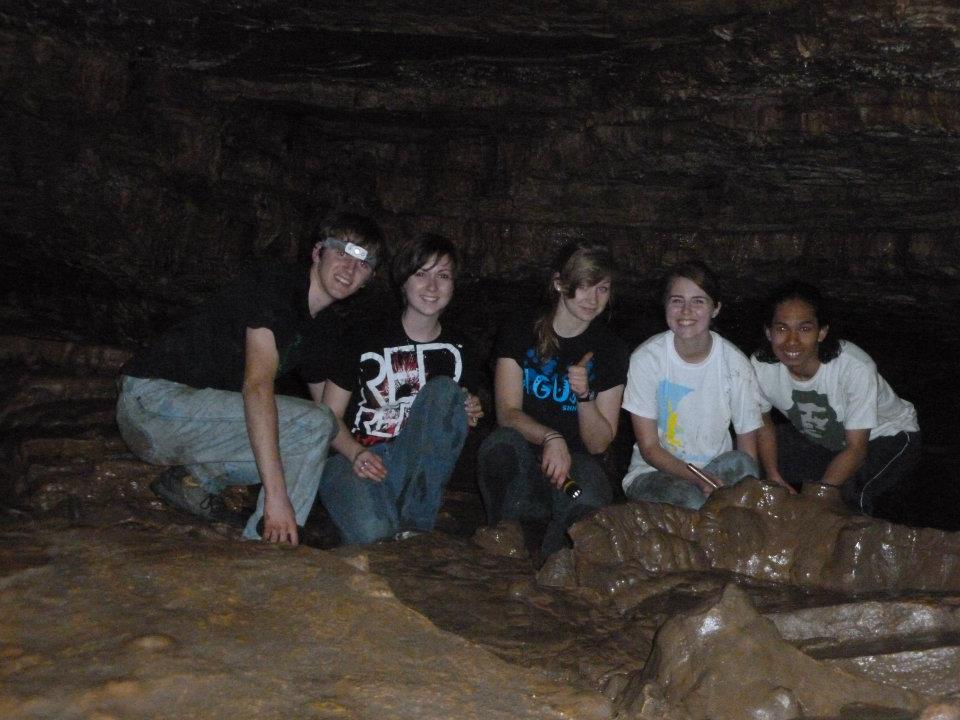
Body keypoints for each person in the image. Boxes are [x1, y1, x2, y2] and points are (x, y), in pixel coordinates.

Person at [116, 211, 384, 546]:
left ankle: (195, 480)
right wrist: (277, 496)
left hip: (194, 424)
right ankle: (269, 545)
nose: (349, 268)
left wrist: (356, 453)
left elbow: (326, 421)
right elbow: (257, 386)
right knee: (305, 431)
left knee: (309, 439)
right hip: (153, 403)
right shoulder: (275, 285)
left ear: (368, 278)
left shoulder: (324, 328)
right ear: (318, 252)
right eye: (343, 252)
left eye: (363, 263)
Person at [317, 233, 483, 544]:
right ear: (403, 282)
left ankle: (415, 529)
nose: (432, 287)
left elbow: (445, 435)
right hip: (354, 459)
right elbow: (327, 415)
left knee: (448, 393)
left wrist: (466, 414)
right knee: (375, 534)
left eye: (443, 276)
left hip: (411, 468)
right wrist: (355, 453)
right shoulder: (362, 336)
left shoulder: (462, 349)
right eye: (421, 274)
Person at [476, 241, 629, 563]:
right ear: (560, 283)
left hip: (575, 469)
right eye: (584, 286)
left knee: (585, 504)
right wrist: (550, 437)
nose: (593, 298)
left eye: (602, 289)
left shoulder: (610, 349)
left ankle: (552, 560)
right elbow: (507, 413)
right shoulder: (521, 328)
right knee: (498, 447)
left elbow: (600, 443)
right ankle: (505, 530)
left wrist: (584, 396)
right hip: (525, 458)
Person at [752, 280, 920, 514]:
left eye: (804, 329)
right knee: (751, 466)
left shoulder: (854, 368)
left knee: (849, 494)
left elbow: (856, 449)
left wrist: (816, 496)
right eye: (781, 329)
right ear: (768, 332)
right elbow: (763, 420)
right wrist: (773, 476)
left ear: (822, 332)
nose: (791, 341)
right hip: (824, 438)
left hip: (887, 437)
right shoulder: (761, 365)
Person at [621, 261, 770, 510]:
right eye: (677, 300)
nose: (686, 311)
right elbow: (649, 448)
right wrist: (699, 480)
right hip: (654, 472)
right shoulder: (647, 359)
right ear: (666, 305)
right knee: (692, 500)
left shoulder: (735, 364)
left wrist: (744, 493)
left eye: (698, 301)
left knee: (744, 467)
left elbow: (747, 449)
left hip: (715, 471)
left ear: (715, 308)